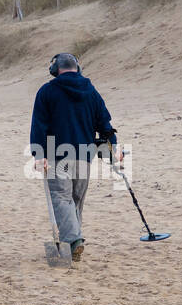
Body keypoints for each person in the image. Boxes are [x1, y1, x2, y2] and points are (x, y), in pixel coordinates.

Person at [29, 53, 121, 262]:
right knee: (75, 201)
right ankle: (72, 245)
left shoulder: (47, 91)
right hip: (84, 156)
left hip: (57, 155)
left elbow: (39, 125)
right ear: (77, 68)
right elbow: (105, 125)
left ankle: (73, 240)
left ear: (55, 70)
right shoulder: (91, 92)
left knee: (61, 199)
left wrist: (39, 154)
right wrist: (113, 146)